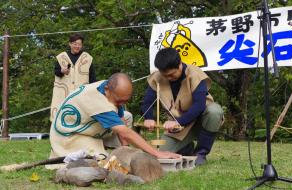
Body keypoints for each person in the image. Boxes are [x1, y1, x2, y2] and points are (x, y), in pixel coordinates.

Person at [49, 73, 180, 160]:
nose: (121, 104)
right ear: (107, 89)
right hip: (69, 136)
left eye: (125, 101)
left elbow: (122, 120)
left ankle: (112, 147)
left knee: (127, 116)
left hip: (87, 127)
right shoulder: (97, 101)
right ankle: (94, 148)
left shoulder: (111, 89)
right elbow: (125, 131)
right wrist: (157, 153)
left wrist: (126, 149)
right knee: (100, 159)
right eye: (119, 101)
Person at [141, 48, 224, 166]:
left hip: (200, 119)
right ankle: (186, 147)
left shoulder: (195, 73)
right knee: (158, 155)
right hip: (178, 125)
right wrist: (148, 117)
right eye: (165, 75)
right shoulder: (157, 77)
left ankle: (201, 153)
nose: (169, 78)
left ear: (179, 64)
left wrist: (178, 122)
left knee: (214, 111)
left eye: (171, 74)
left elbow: (199, 105)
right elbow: (147, 102)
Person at [50, 33, 96, 121]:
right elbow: (56, 72)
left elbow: (92, 78)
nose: (77, 46)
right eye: (75, 44)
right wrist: (62, 71)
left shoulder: (87, 58)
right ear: (70, 44)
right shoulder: (61, 57)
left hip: (81, 94)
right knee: (62, 117)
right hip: (64, 95)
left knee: (82, 117)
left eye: (79, 44)